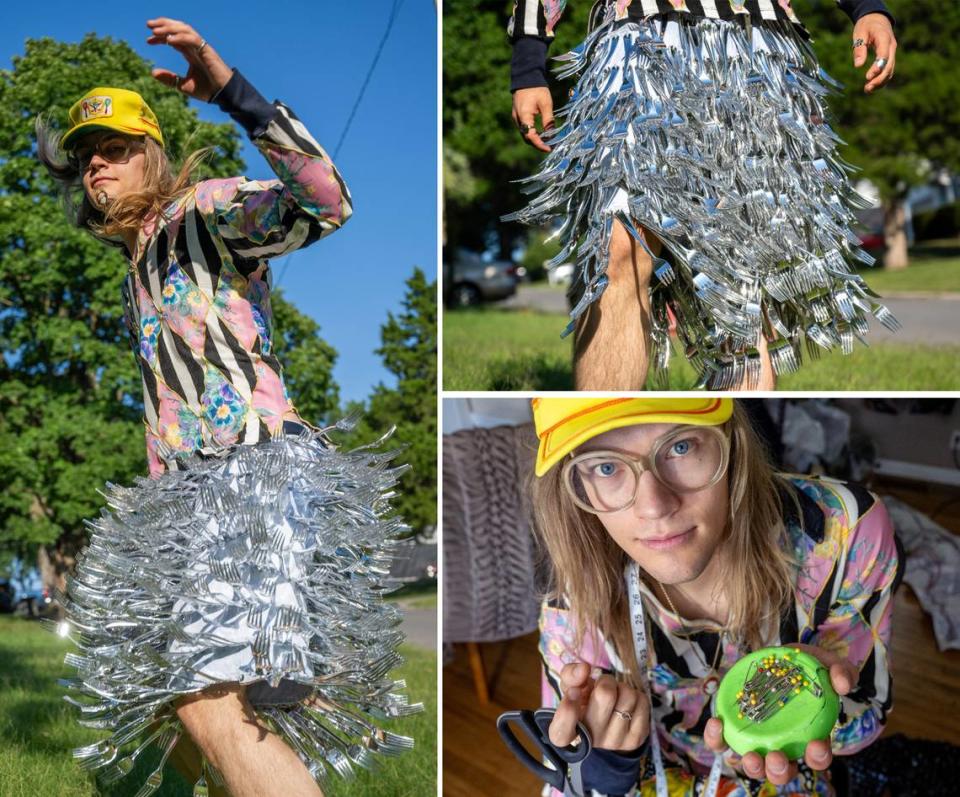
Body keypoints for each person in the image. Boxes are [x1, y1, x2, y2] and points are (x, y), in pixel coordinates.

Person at [36, 17, 420, 797]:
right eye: (83, 157)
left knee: (208, 706)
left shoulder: (199, 214)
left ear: (149, 153)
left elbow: (326, 201)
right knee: (185, 727)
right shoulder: (139, 260)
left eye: (111, 149)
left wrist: (231, 92)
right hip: (188, 502)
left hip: (247, 482)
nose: (95, 166)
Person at [505, 2, 900, 391]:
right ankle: (601, 429)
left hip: (755, 44)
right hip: (635, 41)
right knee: (618, 247)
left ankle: (731, 442)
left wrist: (867, 7)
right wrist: (528, 62)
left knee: (743, 270)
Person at [528, 397, 902, 796]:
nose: (655, 506)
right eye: (606, 467)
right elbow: (565, 776)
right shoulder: (574, 601)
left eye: (680, 446)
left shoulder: (842, 533)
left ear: (731, 442)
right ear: (576, 485)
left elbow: (867, 718)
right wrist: (602, 769)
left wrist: (825, 708)